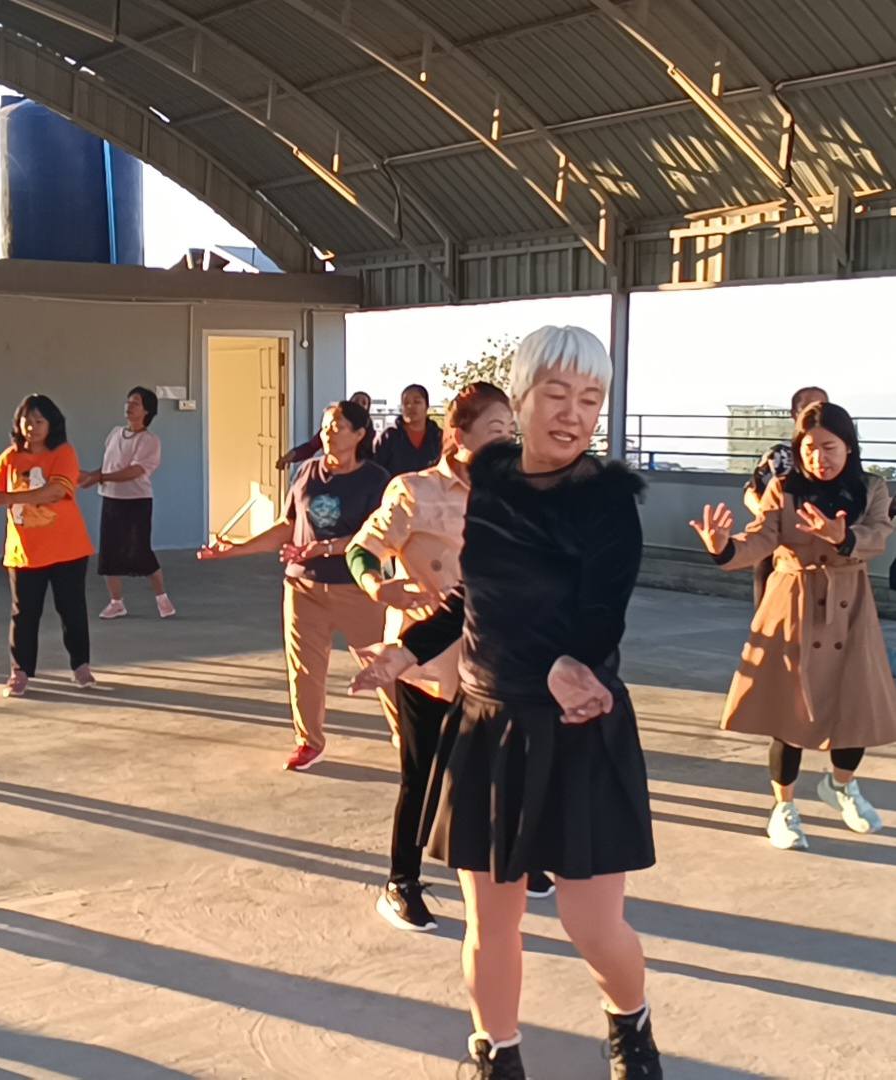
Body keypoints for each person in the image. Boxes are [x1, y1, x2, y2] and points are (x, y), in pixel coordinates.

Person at [351, 326, 661, 1079]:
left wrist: (571, 666)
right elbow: (471, 599)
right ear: (520, 399)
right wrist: (406, 650)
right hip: (490, 723)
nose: (573, 413)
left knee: (592, 924)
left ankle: (630, 1023)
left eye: (590, 398)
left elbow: (601, 615)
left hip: (577, 724)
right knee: (493, 921)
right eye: (556, 394)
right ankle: (497, 1052)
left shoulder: (607, 502)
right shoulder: (488, 487)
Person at [346, 382, 552, 933]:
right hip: (426, 660)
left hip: (496, 659)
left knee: (504, 766)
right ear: (459, 436)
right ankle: (401, 881)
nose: (506, 441)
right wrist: (378, 586)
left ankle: (512, 856)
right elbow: (362, 547)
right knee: (424, 776)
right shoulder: (414, 491)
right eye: (494, 431)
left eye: (510, 432)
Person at [691, 401, 893, 850]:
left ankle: (841, 786)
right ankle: (783, 808)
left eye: (829, 447)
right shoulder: (784, 489)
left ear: (848, 446)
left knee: (855, 707)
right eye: (809, 448)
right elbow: (761, 536)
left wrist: (844, 537)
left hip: (850, 607)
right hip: (793, 604)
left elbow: (879, 534)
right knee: (790, 714)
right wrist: (724, 547)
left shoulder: (871, 488)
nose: (819, 457)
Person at [200, 400, 392, 771]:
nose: (328, 433)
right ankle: (309, 742)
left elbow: (376, 536)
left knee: (383, 664)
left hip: (356, 587)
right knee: (304, 670)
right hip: (303, 587)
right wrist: (236, 550)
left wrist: (327, 547)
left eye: (338, 426)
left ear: (359, 434)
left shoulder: (376, 480)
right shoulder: (306, 472)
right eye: (325, 425)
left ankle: (412, 734)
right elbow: (288, 526)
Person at [0, 394, 96, 698]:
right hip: (24, 551)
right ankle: (20, 672)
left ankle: (81, 666)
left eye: (39, 421)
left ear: (51, 424)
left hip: (67, 548)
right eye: (27, 421)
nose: (32, 427)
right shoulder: (10, 457)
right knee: (24, 613)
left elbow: (55, 492)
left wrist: (8, 498)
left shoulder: (63, 452)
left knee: (71, 608)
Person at [80, 386, 175, 620]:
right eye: (128, 402)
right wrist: (93, 475)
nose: (129, 406)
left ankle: (162, 598)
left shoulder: (150, 441)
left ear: (147, 411)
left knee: (140, 550)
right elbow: (110, 466)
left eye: (135, 403)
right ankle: (116, 603)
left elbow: (134, 471)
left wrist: (100, 477)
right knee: (109, 553)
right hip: (111, 499)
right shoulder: (114, 433)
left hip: (137, 501)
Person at [744, 386, 828, 607]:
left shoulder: (839, 454)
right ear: (794, 414)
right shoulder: (779, 454)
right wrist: (774, 517)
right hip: (777, 551)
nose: (815, 413)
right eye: (807, 408)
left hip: (824, 551)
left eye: (822, 407)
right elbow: (750, 492)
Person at [275, 391, 373, 469]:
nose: (359, 404)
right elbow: (311, 447)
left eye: (364, 403)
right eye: (356, 400)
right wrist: (289, 457)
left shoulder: (372, 434)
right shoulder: (331, 428)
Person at [373, 383, 445, 477]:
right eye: (406, 403)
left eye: (417, 402)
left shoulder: (439, 436)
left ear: (427, 406)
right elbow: (377, 472)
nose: (410, 406)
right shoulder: (389, 436)